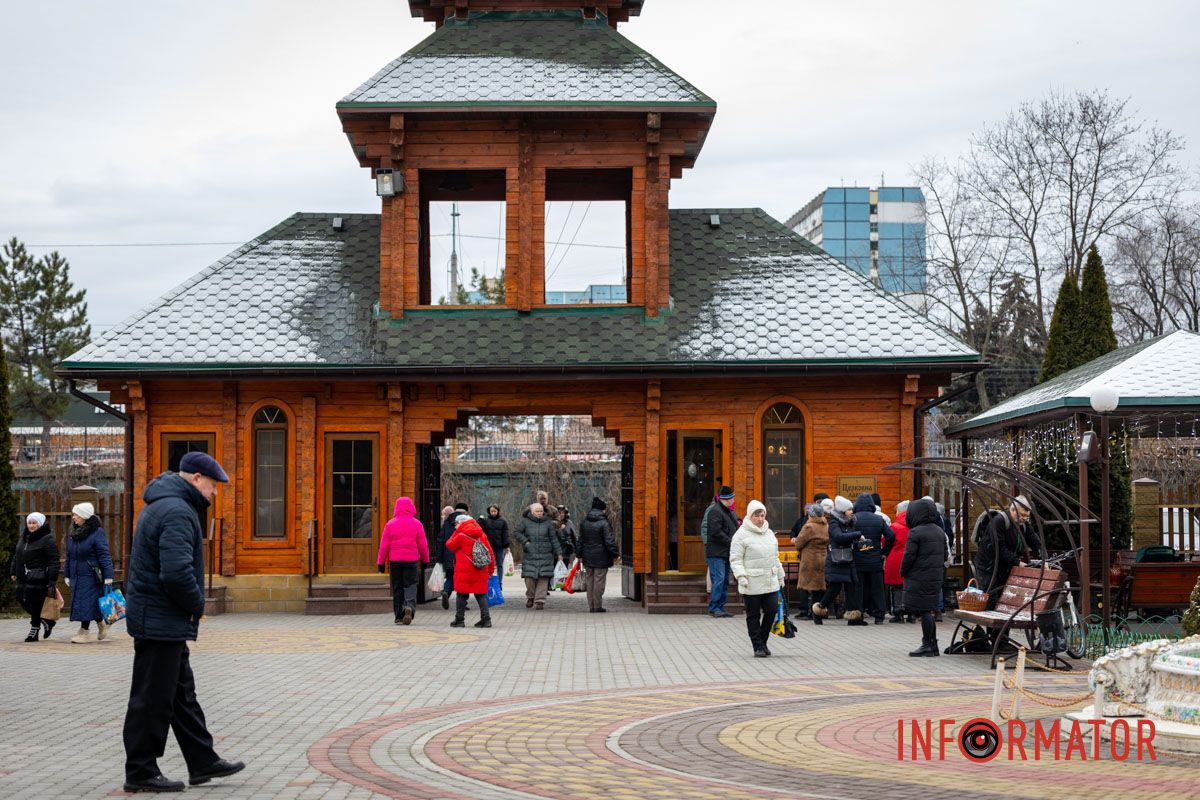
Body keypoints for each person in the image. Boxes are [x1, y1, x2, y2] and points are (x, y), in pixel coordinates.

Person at [122, 451, 244, 793]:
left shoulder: (167, 504)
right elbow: (175, 573)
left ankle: (202, 760)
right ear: (194, 478)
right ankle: (141, 771)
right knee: (152, 699)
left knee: (180, 696)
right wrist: (196, 604)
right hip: (161, 621)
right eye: (212, 485)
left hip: (161, 620)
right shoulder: (176, 511)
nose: (215, 492)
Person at [729, 500, 785, 657]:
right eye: (756, 515)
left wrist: (780, 576)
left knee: (771, 611)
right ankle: (757, 646)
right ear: (749, 515)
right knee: (753, 615)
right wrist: (741, 576)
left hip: (770, 581)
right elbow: (736, 559)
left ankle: (763, 640)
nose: (760, 519)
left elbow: (775, 557)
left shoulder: (769, 534)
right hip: (751, 582)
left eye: (762, 515)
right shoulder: (740, 535)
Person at [900, 498, 948, 657]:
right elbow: (945, 555)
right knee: (929, 610)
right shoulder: (939, 531)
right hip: (935, 576)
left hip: (919, 576)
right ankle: (933, 644)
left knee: (924, 611)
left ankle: (927, 644)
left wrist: (903, 572)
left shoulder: (915, 532)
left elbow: (909, 556)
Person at [64, 502, 114, 643]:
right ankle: (101, 624)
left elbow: (104, 554)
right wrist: (67, 574)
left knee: (85, 602)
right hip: (76, 574)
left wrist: (109, 575)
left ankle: (84, 632)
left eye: (76, 515)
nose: (73, 517)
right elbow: (69, 555)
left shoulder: (97, 533)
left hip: (91, 575)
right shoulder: (74, 533)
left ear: (84, 516)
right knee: (87, 603)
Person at [973, 495, 1034, 609]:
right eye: (1022, 515)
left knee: (1004, 600)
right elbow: (999, 548)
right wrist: (1018, 562)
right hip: (988, 568)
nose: (1024, 519)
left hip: (1004, 568)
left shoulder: (1024, 525)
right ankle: (992, 626)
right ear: (1012, 509)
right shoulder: (999, 521)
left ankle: (1001, 627)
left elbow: (1035, 541)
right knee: (991, 599)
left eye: (1027, 516)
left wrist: (1043, 558)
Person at [376, 496, 429, 625]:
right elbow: (423, 544)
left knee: (398, 587)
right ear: (411, 508)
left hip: (395, 561)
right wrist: (426, 560)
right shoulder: (417, 524)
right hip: (411, 560)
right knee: (410, 585)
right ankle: (409, 606)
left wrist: (381, 564)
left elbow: (384, 546)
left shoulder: (390, 524)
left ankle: (399, 616)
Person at [9, 512, 59, 642]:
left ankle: (34, 630)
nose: (31, 525)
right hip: (22, 577)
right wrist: (13, 571)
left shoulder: (47, 539)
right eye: (29, 523)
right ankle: (47, 621)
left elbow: (54, 560)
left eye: (34, 523)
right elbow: (17, 555)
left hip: (39, 577)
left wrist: (52, 579)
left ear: (40, 523)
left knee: (35, 604)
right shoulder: (24, 537)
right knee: (22, 599)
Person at [812, 496, 858, 625]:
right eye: (849, 509)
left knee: (850, 588)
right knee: (835, 588)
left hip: (848, 558)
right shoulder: (833, 522)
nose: (852, 511)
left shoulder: (850, 522)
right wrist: (856, 535)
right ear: (843, 511)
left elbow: (849, 538)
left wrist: (859, 542)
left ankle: (853, 618)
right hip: (837, 560)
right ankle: (818, 611)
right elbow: (838, 537)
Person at [446, 515, 495, 628]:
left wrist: (457, 531)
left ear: (461, 523)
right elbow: (490, 553)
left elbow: (449, 544)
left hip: (464, 571)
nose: (455, 526)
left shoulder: (460, 536)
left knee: (462, 594)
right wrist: (491, 570)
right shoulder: (482, 535)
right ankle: (486, 620)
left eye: (456, 524)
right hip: (480, 569)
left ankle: (459, 620)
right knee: (481, 594)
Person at [513, 502, 561, 609]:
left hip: (546, 554)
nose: (539, 513)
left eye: (541, 511)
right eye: (537, 511)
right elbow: (516, 532)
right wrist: (525, 542)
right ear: (532, 512)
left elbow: (553, 538)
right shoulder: (525, 522)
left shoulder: (548, 523)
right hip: (530, 554)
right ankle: (531, 596)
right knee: (529, 578)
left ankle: (540, 601)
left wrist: (559, 553)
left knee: (543, 578)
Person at [849, 493, 887, 624]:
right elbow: (891, 536)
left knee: (858, 588)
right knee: (877, 588)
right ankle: (879, 616)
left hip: (857, 558)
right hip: (875, 559)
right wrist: (884, 551)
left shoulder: (853, 519)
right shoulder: (879, 519)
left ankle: (858, 613)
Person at [577, 497, 619, 612]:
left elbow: (580, 540)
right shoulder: (604, 523)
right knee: (599, 581)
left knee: (590, 581)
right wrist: (615, 554)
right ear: (602, 509)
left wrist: (579, 554)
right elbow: (609, 541)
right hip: (602, 557)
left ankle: (591, 606)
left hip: (587, 556)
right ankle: (597, 606)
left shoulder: (584, 522)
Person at [704, 486, 738, 618]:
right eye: (732, 498)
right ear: (726, 499)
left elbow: (732, 527)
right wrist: (731, 541)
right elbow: (716, 532)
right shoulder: (715, 511)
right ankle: (714, 607)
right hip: (717, 552)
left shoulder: (728, 511)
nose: (733, 500)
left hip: (725, 552)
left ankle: (721, 606)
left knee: (724, 580)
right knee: (718, 579)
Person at [790, 504, 828, 621]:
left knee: (805, 585)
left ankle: (804, 611)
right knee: (818, 587)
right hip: (823, 558)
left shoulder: (809, 526)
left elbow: (799, 543)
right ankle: (818, 614)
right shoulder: (825, 525)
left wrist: (796, 541)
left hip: (809, 559)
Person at [883, 501, 913, 623]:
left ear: (900, 512)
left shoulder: (894, 527)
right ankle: (911, 614)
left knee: (897, 587)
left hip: (895, 559)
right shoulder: (914, 526)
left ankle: (898, 613)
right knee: (911, 587)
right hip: (911, 559)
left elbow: (885, 542)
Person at [435, 502, 469, 609]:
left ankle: (446, 592)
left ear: (455, 509)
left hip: (448, 555)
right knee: (464, 579)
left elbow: (440, 540)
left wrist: (439, 558)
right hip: (462, 556)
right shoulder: (467, 521)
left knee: (450, 577)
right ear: (466, 511)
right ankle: (463, 603)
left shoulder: (446, 522)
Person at [478, 505, 510, 577]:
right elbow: (479, 529)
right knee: (488, 563)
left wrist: (507, 545)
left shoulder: (503, 521)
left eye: (495, 511)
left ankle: (499, 582)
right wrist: (480, 520)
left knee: (499, 564)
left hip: (499, 546)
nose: (493, 513)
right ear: (489, 511)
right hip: (488, 546)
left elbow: (505, 534)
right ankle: (489, 579)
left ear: (498, 511)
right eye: (492, 511)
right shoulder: (485, 520)